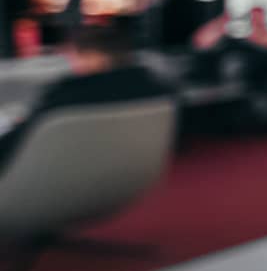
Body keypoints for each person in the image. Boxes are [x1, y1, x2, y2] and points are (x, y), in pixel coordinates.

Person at [0, 20, 168, 171]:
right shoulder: (155, 89)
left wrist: (23, 123)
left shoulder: (65, 98)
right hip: (121, 173)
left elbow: (15, 146)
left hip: (42, 178)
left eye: (74, 56)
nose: (72, 63)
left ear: (95, 57)